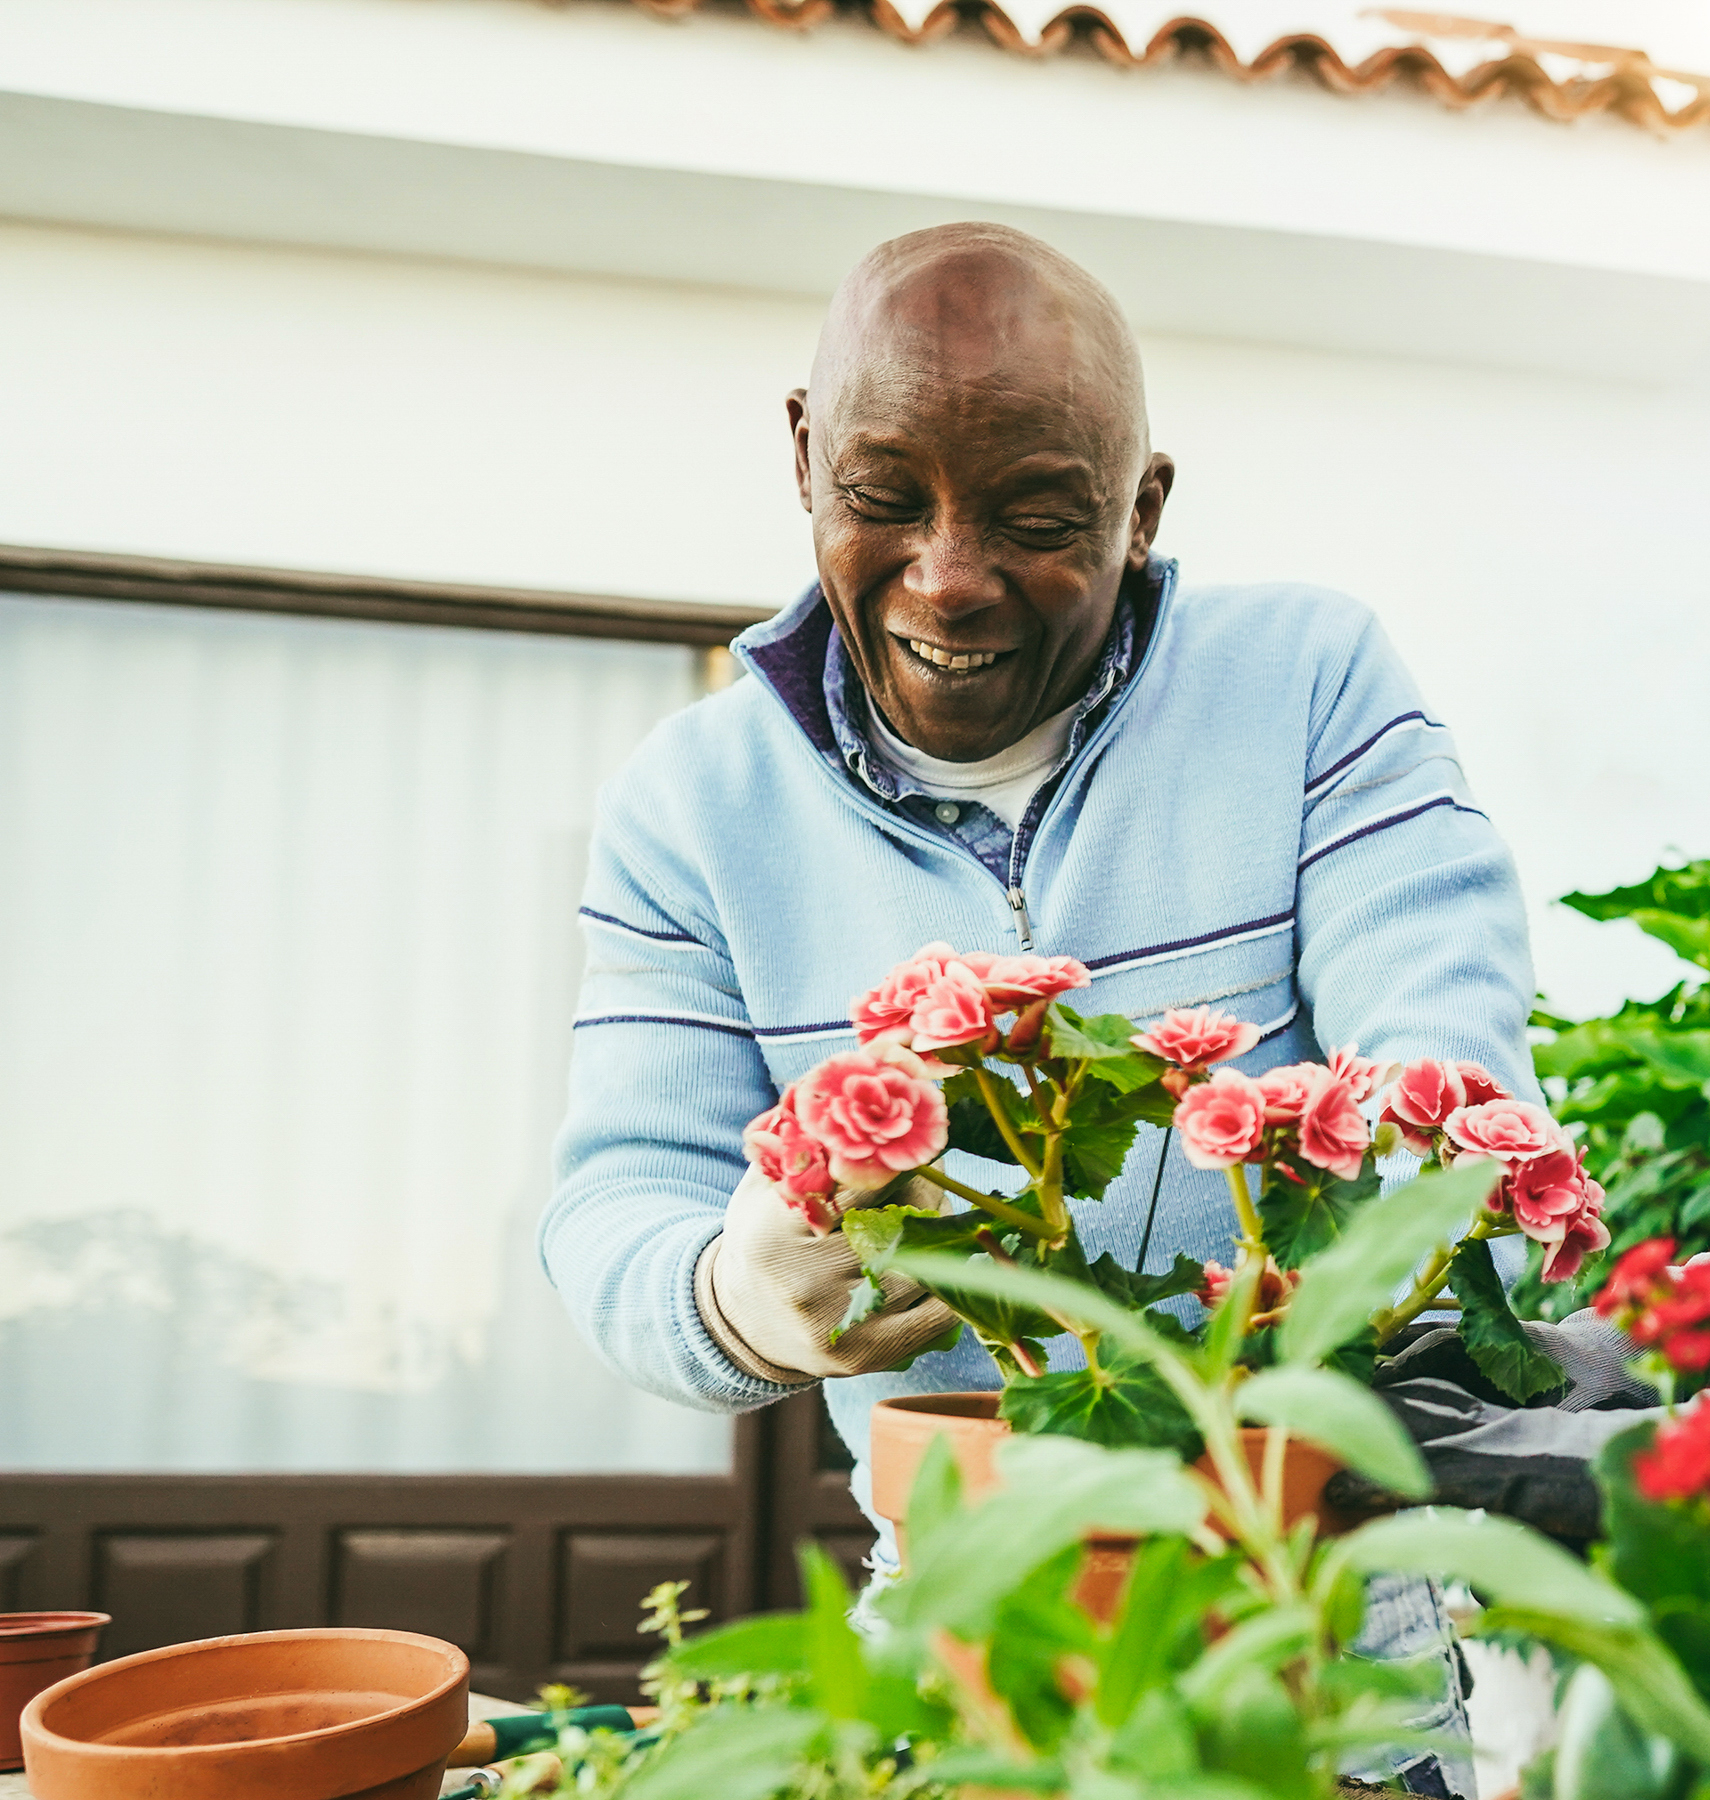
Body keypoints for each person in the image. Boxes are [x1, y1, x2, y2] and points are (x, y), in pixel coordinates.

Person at [541, 223, 1535, 1790]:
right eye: (883, 499)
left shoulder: (1308, 683)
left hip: (1321, 1637)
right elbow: (610, 1212)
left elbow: (1449, 1072)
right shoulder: (690, 806)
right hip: (956, 1637)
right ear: (804, 459)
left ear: (1143, 509)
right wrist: (743, 1290)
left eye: (1037, 517)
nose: (949, 576)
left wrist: (1340, 1283)